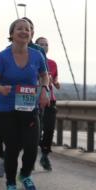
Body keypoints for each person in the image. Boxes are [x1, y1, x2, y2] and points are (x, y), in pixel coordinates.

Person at [0, 18, 50, 190]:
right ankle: (11, 184)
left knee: (31, 146)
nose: (24, 31)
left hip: (28, 108)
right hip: (6, 109)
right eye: (19, 29)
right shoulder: (3, 56)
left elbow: (45, 76)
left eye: (27, 29)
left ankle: (25, 174)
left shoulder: (37, 55)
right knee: (12, 148)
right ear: (12, 34)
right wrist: (1, 89)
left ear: (31, 34)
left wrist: (44, 89)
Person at [34, 37, 60, 170]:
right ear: (36, 46)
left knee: (49, 129)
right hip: (36, 100)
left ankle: (45, 155)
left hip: (50, 100)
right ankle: (31, 154)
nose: (44, 46)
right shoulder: (32, 59)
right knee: (36, 131)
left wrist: (55, 82)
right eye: (41, 44)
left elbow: (56, 81)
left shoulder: (53, 64)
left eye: (46, 44)